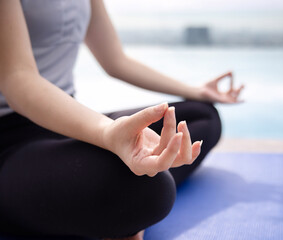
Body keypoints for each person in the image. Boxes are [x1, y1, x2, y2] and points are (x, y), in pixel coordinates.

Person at [0, 1, 244, 240]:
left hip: (67, 122)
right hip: (10, 141)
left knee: (202, 115)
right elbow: (18, 79)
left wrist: (196, 91)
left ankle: (125, 209)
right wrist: (109, 132)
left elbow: (116, 60)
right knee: (152, 189)